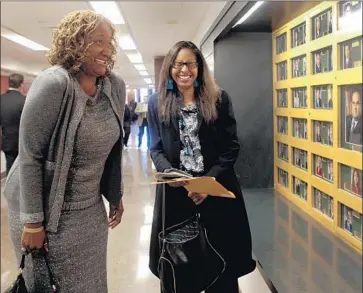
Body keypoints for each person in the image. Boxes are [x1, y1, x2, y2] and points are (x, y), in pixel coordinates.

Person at [3, 10, 125, 292]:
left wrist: (115, 194)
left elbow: (114, 148)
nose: (106, 50)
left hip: (90, 209)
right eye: (97, 42)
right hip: (46, 211)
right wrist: (33, 222)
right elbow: (30, 154)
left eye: (109, 43)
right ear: (75, 43)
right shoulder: (54, 83)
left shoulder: (113, 86)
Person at [147, 41, 256, 293]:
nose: (184, 69)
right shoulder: (157, 102)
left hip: (216, 191)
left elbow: (231, 147)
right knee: (180, 267)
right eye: (178, 63)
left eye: (190, 63)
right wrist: (170, 174)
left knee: (222, 266)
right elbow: (156, 148)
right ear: (170, 68)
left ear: (199, 67)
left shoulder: (218, 99)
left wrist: (208, 183)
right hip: (176, 195)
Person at [0, 73, 26, 174]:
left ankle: (8, 188)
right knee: (21, 171)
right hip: (22, 143)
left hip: (6, 142)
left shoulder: (1, 99)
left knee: (9, 169)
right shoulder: (24, 100)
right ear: (21, 85)